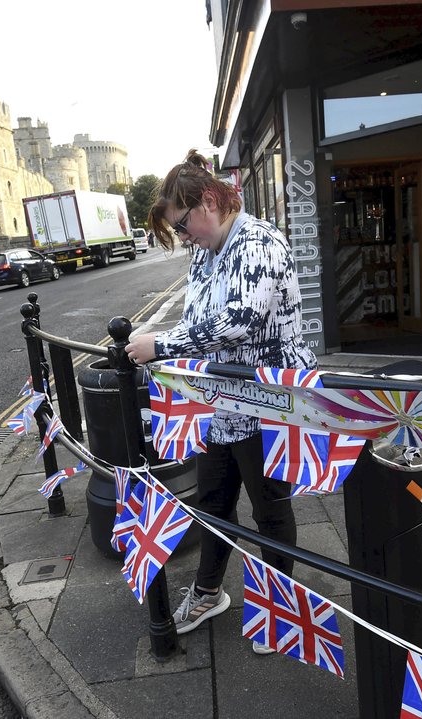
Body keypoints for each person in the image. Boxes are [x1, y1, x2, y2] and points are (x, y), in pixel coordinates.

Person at [125, 150, 317, 654]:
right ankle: (210, 593)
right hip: (221, 403)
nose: (185, 238)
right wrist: (165, 335)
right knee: (212, 504)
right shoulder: (206, 252)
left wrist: (161, 347)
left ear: (210, 200)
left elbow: (239, 321)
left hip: (269, 402)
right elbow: (198, 319)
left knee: (270, 511)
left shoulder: (259, 242)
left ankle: (278, 613)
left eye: (184, 225)